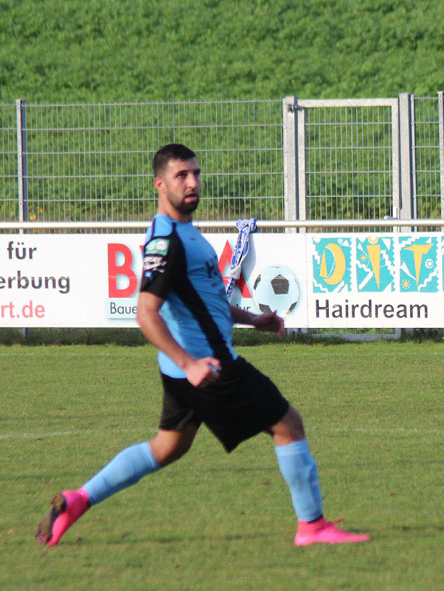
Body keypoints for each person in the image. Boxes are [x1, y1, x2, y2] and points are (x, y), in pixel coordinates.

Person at [36, 144, 369, 547]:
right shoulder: (166, 241)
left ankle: (78, 500)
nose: (192, 182)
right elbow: (146, 313)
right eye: (181, 176)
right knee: (288, 424)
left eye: (195, 173)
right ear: (160, 184)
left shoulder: (185, 233)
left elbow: (205, 300)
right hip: (209, 369)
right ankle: (313, 527)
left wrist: (252, 319)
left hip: (187, 370)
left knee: (166, 448)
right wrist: (190, 363)